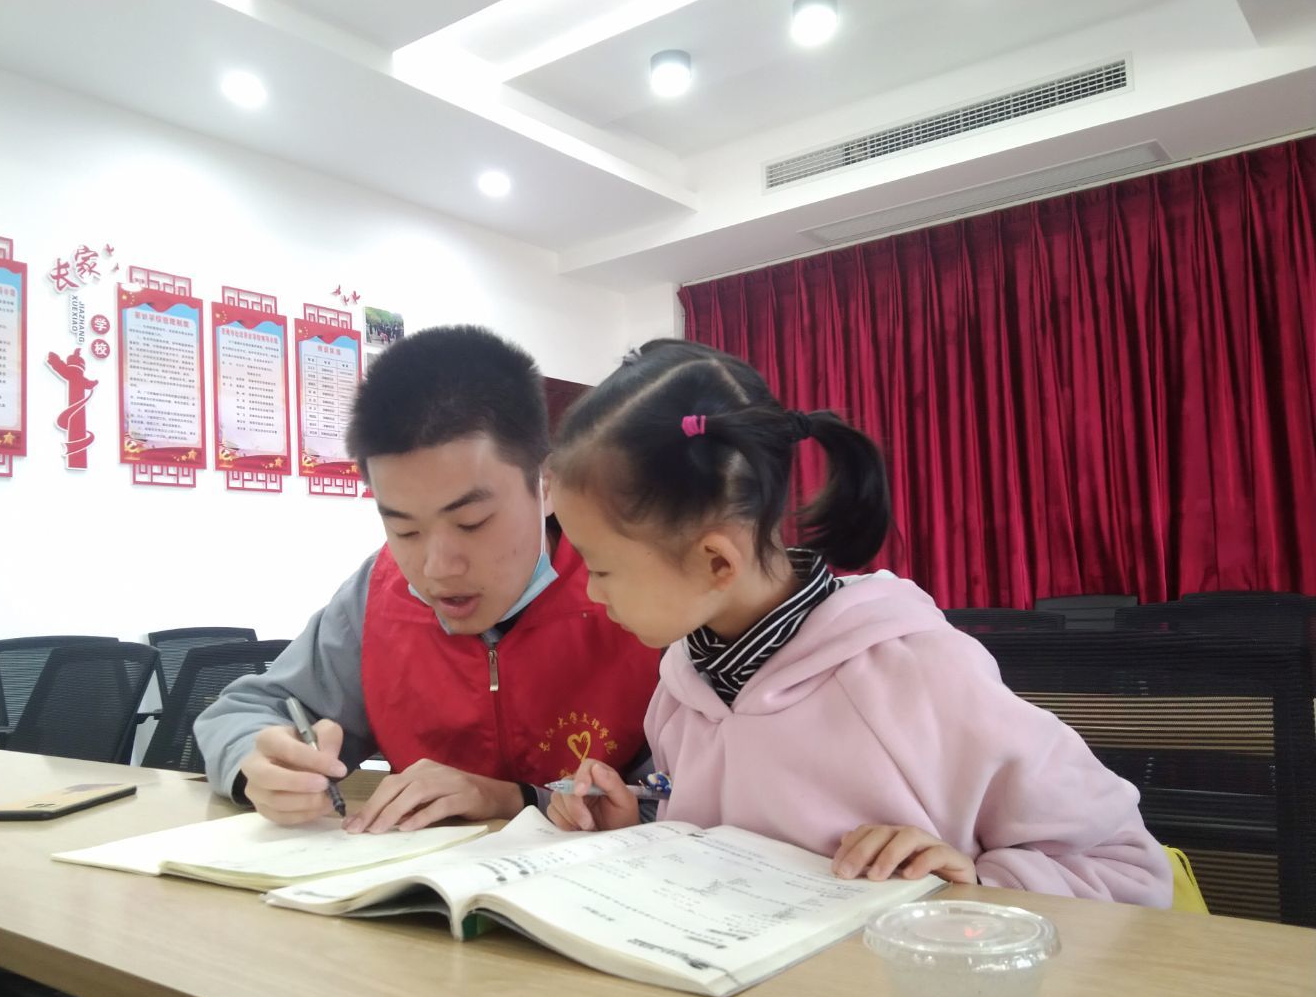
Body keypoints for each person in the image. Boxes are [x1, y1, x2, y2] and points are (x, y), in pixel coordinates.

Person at [544, 339, 1171, 905]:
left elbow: (1126, 869)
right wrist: (636, 830)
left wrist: (974, 887)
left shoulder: (917, 674)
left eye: (600, 567)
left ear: (716, 562)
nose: (591, 592)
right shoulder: (682, 690)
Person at [194, 325, 661, 833]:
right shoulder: (377, 597)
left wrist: (515, 799)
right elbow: (243, 711)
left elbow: (692, 796)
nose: (437, 568)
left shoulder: (634, 591)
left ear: (546, 485)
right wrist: (260, 766)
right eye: (405, 529)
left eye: (471, 523)